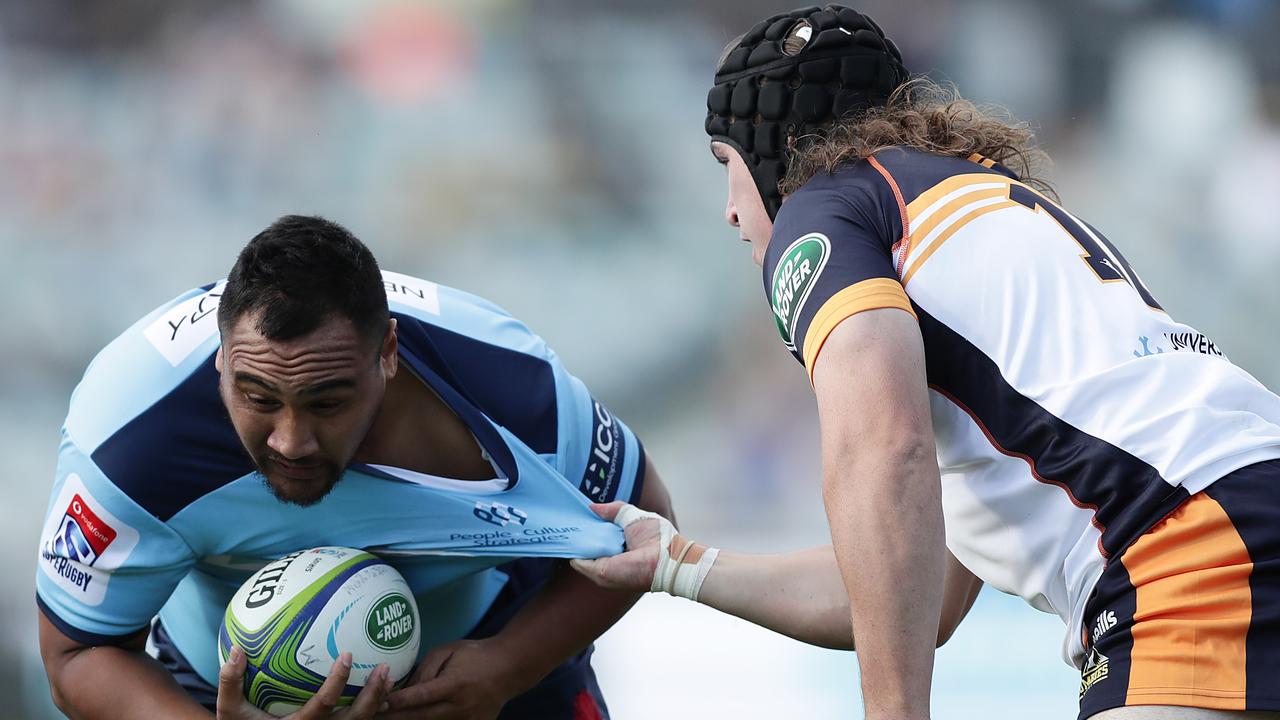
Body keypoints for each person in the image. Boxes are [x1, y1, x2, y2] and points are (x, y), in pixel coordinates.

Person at [572, 5, 1280, 720]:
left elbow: (881, 453)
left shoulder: (820, 210)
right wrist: (675, 563)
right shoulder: (984, 214)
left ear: (772, 150)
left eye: (727, 166)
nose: (729, 210)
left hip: (1192, 559)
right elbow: (913, 596)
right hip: (1239, 514)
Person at [36, 215, 673, 720]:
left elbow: (645, 524)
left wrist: (508, 666)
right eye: (258, 399)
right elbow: (78, 652)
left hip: (488, 670)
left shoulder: (510, 387)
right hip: (219, 698)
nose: (292, 441)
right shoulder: (129, 444)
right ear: (221, 362)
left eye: (327, 402)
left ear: (388, 355)